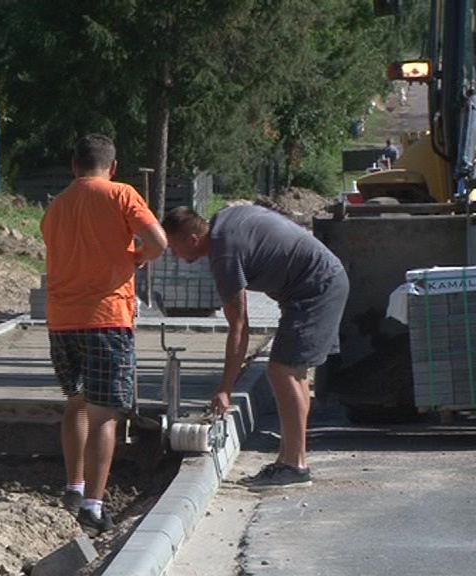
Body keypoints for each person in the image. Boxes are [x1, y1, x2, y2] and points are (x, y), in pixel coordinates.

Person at [161, 205, 349, 491]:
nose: (174, 255)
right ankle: (288, 460)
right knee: (293, 373)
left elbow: (239, 327)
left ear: (193, 240)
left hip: (315, 286)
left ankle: (295, 466)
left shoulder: (223, 255)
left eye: (174, 247)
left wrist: (225, 389)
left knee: (282, 372)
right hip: (321, 279)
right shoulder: (224, 220)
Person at [40, 134, 168, 535]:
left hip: (62, 320)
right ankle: (93, 506)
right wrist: (138, 257)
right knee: (103, 416)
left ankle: (73, 488)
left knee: (75, 404)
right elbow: (158, 241)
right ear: (111, 167)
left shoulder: (56, 207)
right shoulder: (122, 194)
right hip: (106, 318)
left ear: (74, 166)